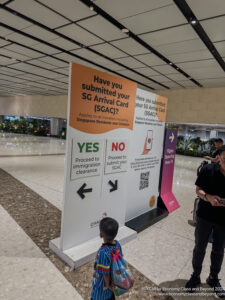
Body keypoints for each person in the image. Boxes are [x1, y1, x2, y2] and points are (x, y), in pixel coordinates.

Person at [186, 145, 225, 298]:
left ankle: (213, 278)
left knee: (219, 250)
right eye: (224, 157)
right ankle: (195, 275)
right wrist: (207, 197)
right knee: (199, 247)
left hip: (223, 219)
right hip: (205, 216)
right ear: (220, 156)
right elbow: (198, 190)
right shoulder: (208, 170)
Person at [91, 217, 122, 300]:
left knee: (100, 296)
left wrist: (108, 285)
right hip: (114, 278)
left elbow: (105, 273)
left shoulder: (103, 252)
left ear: (101, 235)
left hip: (103, 286)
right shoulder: (118, 245)